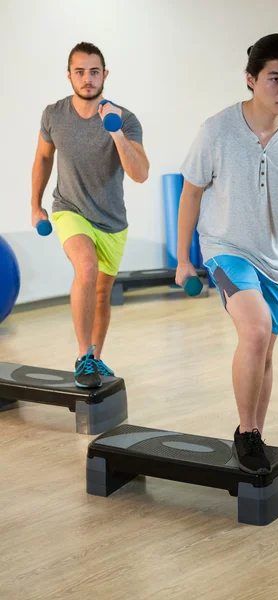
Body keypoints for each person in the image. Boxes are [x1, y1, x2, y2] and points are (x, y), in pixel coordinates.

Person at [176, 33, 278, 474]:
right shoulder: (217, 130)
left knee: (264, 350)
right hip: (225, 250)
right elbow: (191, 193)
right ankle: (246, 434)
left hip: (274, 261)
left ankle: (255, 432)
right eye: (275, 79)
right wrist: (183, 258)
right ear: (251, 80)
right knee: (255, 331)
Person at [31, 42, 149, 388]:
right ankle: (84, 356)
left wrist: (114, 131)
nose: (87, 78)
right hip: (69, 208)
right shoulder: (54, 114)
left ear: (104, 75)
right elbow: (42, 159)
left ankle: (95, 357)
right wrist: (35, 204)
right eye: (79, 71)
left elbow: (140, 173)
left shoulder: (125, 119)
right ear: (69, 75)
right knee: (86, 267)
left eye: (94, 71)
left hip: (112, 221)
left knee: (101, 294)